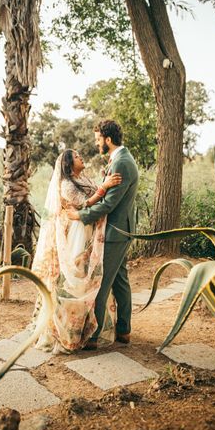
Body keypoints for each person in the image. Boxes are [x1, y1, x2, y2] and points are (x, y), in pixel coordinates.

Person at [31, 148, 122, 353]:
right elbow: (84, 204)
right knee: (77, 275)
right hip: (76, 233)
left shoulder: (83, 179)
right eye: (77, 156)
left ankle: (87, 326)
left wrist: (103, 184)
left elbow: (91, 198)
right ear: (69, 164)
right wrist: (105, 187)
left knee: (90, 275)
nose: (81, 157)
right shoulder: (66, 185)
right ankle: (69, 330)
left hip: (87, 228)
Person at [67, 119, 139, 351]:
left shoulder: (122, 163)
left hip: (115, 231)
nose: (96, 143)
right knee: (119, 281)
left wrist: (81, 216)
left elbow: (108, 205)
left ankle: (94, 336)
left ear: (108, 139)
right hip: (122, 229)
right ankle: (124, 331)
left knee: (101, 281)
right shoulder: (120, 160)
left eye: (98, 139)